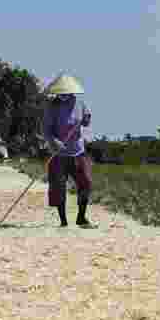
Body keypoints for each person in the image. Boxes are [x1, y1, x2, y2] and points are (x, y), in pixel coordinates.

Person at [43, 73, 96, 228]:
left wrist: (87, 119)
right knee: (58, 187)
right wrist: (54, 141)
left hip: (78, 152)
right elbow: (46, 130)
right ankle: (63, 221)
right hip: (58, 154)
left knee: (86, 183)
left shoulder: (79, 103)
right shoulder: (52, 106)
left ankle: (81, 217)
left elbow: (86, 121)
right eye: (61, 93)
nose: (63, 95)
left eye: (66, 92)